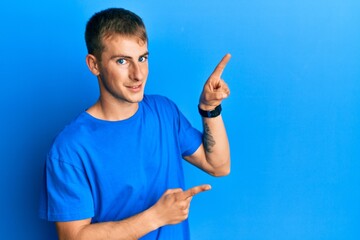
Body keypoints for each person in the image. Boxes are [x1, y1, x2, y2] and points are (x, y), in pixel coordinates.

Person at [39, 7, 231, 240]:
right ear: (94, 64)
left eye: (142, 58)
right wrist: (156, 217)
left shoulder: (164, 112)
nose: (138, 74)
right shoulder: (69, 148)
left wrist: (210, 110)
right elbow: (73, 237)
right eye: (122, 61)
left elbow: (218, 166)